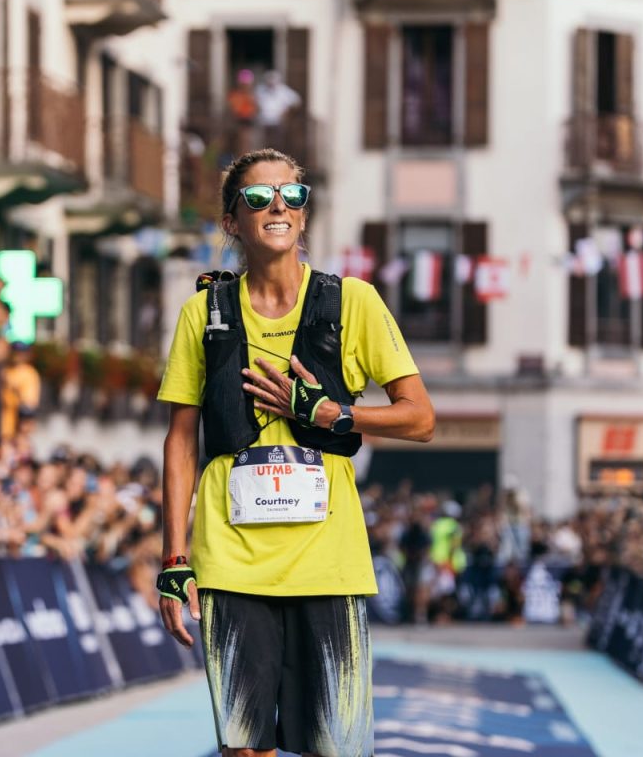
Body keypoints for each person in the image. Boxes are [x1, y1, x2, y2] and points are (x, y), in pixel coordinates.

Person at [155, 148, 435, 757]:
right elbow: (180, 441)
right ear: (232, 221)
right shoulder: (204, 314)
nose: (277, 206)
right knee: (243, 748)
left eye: (292, 195)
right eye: (259, 197)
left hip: (328, 561)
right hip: (231, 561)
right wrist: (174, 560)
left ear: (304, 216)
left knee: (335, 747)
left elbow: (420, 418)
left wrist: (331, 413)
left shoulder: (352, 302)